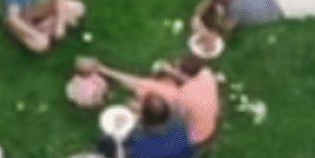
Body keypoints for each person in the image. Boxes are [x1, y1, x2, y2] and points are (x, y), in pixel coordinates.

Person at [79, 53, 221, 146]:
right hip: (209, 124)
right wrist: (171, 72)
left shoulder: (182, 96)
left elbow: (136, 84)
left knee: (147, 103)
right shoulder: (206, 74)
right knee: (160, 88)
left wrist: (103, 69)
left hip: (193, 137)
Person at [100, 92, 196, 158]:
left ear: (143, 117)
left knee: (109, 142)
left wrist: (118, 139)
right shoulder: (178, 121)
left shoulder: (139, 145)